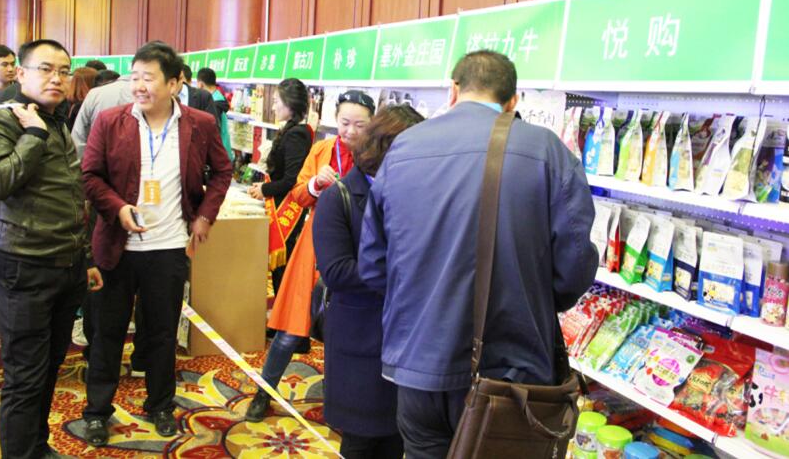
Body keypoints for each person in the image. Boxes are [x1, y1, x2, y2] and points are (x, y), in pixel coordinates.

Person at [358, 50, 597, 457]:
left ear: (453, 90)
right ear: (513, 101)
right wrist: (532, 299)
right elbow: (574, 265)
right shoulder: (545, 149)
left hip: (418, 360)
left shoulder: (404, 148)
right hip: (512, 368)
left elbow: (374, 265)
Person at [80, 41, 232, 447]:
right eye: (135, 77)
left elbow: (222, 171)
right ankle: (97, 412)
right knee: (108, 332)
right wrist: (117, 208)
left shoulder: (200, 123)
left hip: (168, 247)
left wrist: (205, 215)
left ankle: (160, 404)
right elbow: (90, 175)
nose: (139, 86)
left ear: (175, 83)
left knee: (163, 333)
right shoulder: (111, 121)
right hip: (117, 246)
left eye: (148, 78)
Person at [0, 39, 104, 459]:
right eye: (46, 69)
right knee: (25, 375)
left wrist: (85, 258)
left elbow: (70, 195)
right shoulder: (2, 119)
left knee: (49, 367)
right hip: (22, 264)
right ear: (21, 73)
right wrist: (32, 134)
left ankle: (36, 447)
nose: (57, 78)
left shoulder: (55, 118)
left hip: (65, 263)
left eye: (64, 71)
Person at [245, 90, 375, 423]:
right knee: (290, 328)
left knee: (346, 331)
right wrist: (316, 184)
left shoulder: (378, 155)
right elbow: (298, 195)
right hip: (316, 245)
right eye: (344, 122)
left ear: (372, 124)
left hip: (360, 249)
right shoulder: (321, 150)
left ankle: (341, 402)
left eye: (359, 124)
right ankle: (264, 392)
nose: (349, 131)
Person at [313, 105, 424, 459]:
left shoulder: (417, 197)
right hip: (360, 335)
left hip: (408, 338)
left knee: (399, 436)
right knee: (362, 439)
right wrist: (406, 272)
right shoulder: (339, 197)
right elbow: (336, 271)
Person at [247, 79, 312, 295]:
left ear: (290, 103)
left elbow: (291, 179)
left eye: (276, 102)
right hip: (279, 202)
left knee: (282, 268)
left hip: (287, 206)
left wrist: (265, 190)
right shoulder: (292, 129)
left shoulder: (297, 134)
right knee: (279, 269)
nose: (273, 107)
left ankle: (282, 311)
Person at [196, 67, 234, 160]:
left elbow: (212, 134)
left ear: (200, 84)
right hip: (223, 152)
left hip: (219, 156)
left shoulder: (213, 103)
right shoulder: (218, 97)